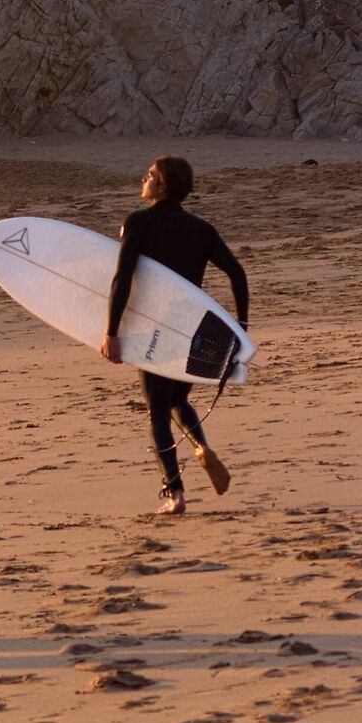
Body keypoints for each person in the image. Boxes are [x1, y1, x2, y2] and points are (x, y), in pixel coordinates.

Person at [101, 155, 247, 518]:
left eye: (149, 175)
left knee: (156, 412)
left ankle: (175, 493)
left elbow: (123, 280)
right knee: (177, 400)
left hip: (153, 327)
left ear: (162, 185)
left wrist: (112, 331)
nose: (144, 178)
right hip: (189, 327)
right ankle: (201, 446)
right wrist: (240, 329)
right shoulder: (202, 229)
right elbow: (237, 274)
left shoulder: (138, 223)